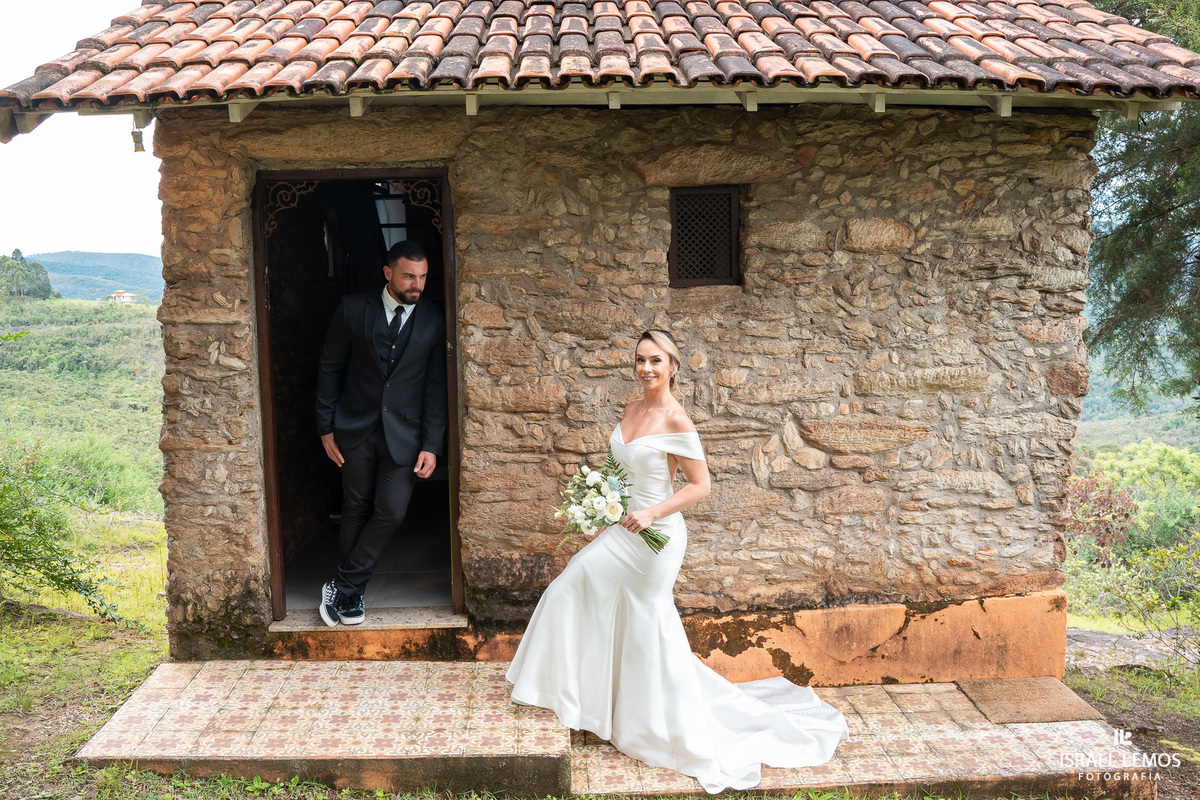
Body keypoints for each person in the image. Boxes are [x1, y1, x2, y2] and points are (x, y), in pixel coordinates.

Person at [506, 329, 849, 793]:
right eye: (640, 360)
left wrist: (650, 511)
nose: (646, 368)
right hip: (619, 531)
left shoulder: (676, 420)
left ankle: (649, 723)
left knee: (645, 624)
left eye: (656, 361)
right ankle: (577, 697)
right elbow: (617, 469)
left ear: (673, 366)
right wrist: (598, 500)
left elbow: (699, 485)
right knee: (571, 584)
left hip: (656, 537)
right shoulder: (631, 409)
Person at [314, 240, 447, 627]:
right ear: (388, 273)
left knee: (391, 510)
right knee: (355, 507)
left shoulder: (434, 319)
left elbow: (436, 387)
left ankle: (342, 584)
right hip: (353, 427)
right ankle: (352, 598)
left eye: (422, 277)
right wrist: (325, 427)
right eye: (408, 275)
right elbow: (330, 368)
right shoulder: (353, 308)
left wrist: (432, 445)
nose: (416, 285)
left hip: (405, 435)